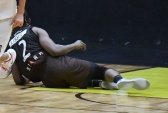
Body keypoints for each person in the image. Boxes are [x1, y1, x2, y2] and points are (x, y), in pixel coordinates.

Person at [8, 11, 150, 90]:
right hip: (57, 65)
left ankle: (103, 84)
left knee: (78, 78)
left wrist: (30, 75)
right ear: (25, 19)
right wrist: (74, 45)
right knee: (101, 70)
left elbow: (18, 80)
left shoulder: (9, 47)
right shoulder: (35, 30)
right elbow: (54, 50)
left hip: (49, 81)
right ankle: (120, 80)